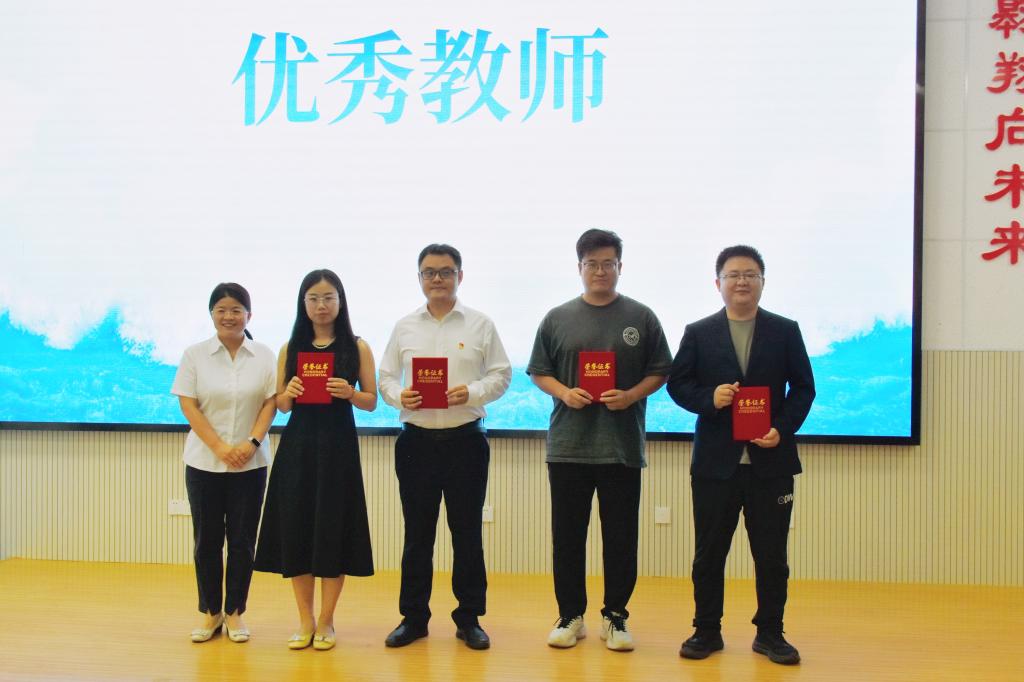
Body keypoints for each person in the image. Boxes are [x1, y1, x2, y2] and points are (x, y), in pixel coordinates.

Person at [667, 245, 815, 665]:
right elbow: (678, 385)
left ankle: (770, 633)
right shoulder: (699, 332)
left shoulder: (785, 331)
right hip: (715, 465)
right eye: (733, 275)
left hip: (771, 463)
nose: (742, 281)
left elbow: (804, 389)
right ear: (718, 283)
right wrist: (709, 399)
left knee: (772, 556)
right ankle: (706, 630)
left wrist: (781, 428)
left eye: (750, 274)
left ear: (763, 281)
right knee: (709, 553)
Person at [527, 228, 673, 652]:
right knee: (567, 538)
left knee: (621, 539)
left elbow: (661, 371)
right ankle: (571, 615)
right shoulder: (557, 318)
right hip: (568, 447)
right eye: (592, 263)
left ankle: (615, 616)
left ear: (620, 267)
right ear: (580, 267)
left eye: (608, 263)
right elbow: (539, 371)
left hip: (621, 447)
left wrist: (630, 395)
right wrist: (563, 392)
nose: (600, 271)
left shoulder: (641, 317)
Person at [378, 243, 511, 651]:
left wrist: (471, 392)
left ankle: (469, 619)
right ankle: (413, 619)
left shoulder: (481, 325)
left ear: (460, 276)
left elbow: (502, 375)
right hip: (416, 443)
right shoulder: (404, 326)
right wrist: (400, 396)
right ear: (419, 278)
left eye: (446, 271)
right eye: (430, 272)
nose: (438, 279)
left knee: (467, 534)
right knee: (417, 535)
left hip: (465, 441)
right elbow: (385, 378)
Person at [254, 269, 378, 651]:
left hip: (338, 451)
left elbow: (371, 401)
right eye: (313, 298)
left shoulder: (357, 347)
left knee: (333, 530)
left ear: (340, 301)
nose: (321, 305)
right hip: (299, 449)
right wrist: (288, 392)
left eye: (328, 297)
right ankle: (305, 620)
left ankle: (326, 620)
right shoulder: (290, 348)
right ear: (303, 303)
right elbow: (282, 405)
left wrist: (350, 393)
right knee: (298, 530)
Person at [171, 283, 277, 644]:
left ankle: (234, 612)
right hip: (203, 464)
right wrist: (219, 447)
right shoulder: (195, 355)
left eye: (236, 310)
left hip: (251, 464)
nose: (229, 316)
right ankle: (210, 612)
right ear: (211, 314)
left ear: (249, 315)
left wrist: (251, 443)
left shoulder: (264, 355)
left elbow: (271, 402)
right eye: (221, 309)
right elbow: (188, 404)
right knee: (207, 541)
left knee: (243, 542)